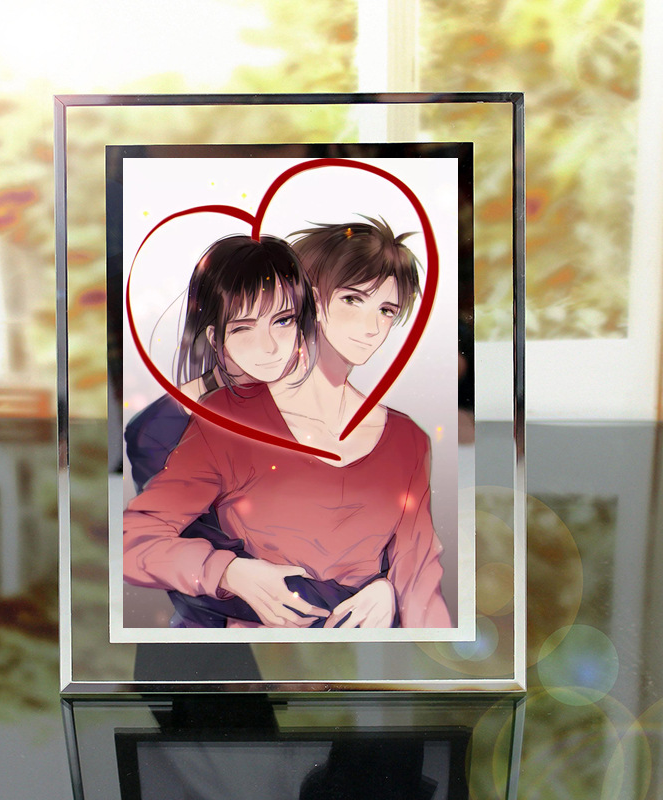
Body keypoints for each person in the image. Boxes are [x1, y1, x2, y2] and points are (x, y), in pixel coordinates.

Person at [124, 219, 450, 629]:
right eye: (352, 299)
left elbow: (422, 584)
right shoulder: (226, 418)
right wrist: (229, 572)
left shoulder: (408, 440)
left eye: (387, 310)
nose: (372, 328)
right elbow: (134, 540)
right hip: (245, 657)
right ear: (310, 298)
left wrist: (394, 595)